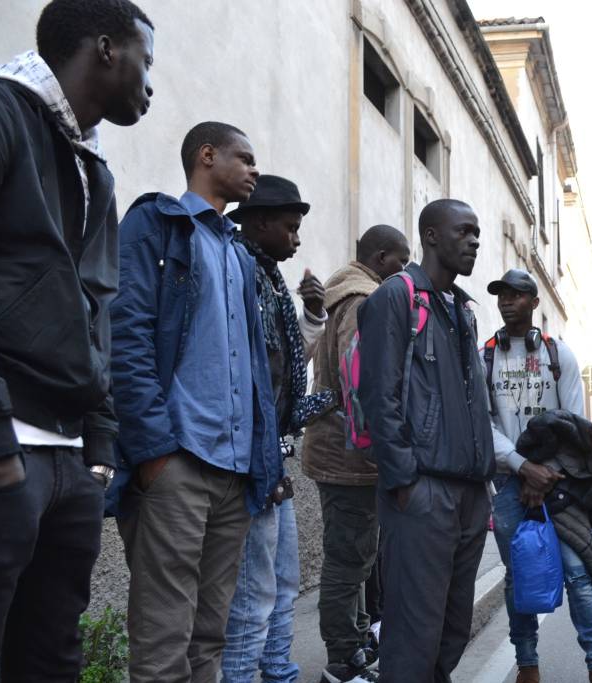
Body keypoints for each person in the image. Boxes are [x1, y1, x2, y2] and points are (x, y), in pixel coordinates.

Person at [0, 0, 154, 679]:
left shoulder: (94, 168)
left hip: (69, 464)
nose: (150, 85)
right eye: (144, 62)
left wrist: (97, 448)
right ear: (104, 48)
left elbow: (99, 309)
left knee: (51, 658)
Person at [109, 122, 280, 681]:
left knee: (211, 637)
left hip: (234, 474)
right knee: (163, 644)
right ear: (207, 156)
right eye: (245, 158)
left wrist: (262, 460)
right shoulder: (157, 225)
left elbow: (254, 367)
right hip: (176, 464)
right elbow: (126, 335)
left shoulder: (240, 255)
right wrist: (154, 453)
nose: (255, 170)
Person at [357, 199, 495, 682]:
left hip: (470, 493)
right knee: (414, 634)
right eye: (465, 231)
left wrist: (485, 481)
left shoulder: (461, 308)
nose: (475, 241)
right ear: (432, 236)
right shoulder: (396, 297)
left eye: (478, 232)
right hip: (422, 492)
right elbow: (379, 393)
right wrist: (404, 481)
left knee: (452, 629)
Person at [221, 174, 337, 683]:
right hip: (250, 461)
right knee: (252, 596)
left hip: (273, 456)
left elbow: (287, 369)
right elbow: (242, 375)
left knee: (283, 581)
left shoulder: (268, 280)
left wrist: (312, 314)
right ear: (260, 222)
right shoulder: (238, 272)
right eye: (289, 228)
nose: (297, 239)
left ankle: (279, 671)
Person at [481, 269, 592, 683]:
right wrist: (524, 470)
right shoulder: (485, 356)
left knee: (577, 571)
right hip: (509, 482)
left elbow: (574, 427)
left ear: (534, 302)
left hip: (558, 483)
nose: (507, 301)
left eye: (516, 294)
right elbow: (483, 423)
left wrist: (545, 475)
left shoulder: (560, 355)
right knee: (518, 575)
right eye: (501, 294)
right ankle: (527, 664)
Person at [302, 224, 411, 683]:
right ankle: (343, 660)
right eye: (400, 264)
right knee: (349, 561)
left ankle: (358, 642)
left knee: (358, 557)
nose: (402, 273)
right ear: (381, 257)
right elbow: (361, 384)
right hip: (350, 455)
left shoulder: (340, 291)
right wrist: (385, 451)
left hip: (338, 450)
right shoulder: (363, 301)